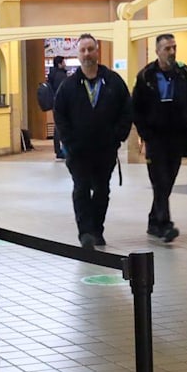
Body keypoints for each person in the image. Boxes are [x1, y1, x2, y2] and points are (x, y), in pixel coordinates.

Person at [52, 33, 132, 250]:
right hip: (78, 151)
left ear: (97, 51)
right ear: (78, 55)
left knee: (102, 190)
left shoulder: (113, 82)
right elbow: (59, 114)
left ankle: (97, 229)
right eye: (83, 50)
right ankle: (85, 232)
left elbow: (127, 109)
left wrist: (118, 136)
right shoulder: (68, 86)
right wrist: (69, 141)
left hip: (105, 150)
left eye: (90, 49)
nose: (87, 54)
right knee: (81, 188)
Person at [131, 33, 187, 243]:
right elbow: (135, 108)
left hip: (177, 136)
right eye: (167, 49)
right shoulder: (146, 76)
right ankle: (165, 225)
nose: (172, 52)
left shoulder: (183, 73)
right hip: (155, 138)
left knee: (168, 180)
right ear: (157, 52)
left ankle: (154, 221)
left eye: (174, 47)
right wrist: (145, 134)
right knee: (159, 180)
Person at [47, 55, 68, 159]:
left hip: (55, 103)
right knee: (62, 126)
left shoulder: (53, 74)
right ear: (59, 64)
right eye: (64, 62)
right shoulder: (61, 75)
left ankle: (58, 150)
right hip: (62, 104)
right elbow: (64, 90)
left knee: (57, 126)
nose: (65, 64)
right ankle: (63, 150)